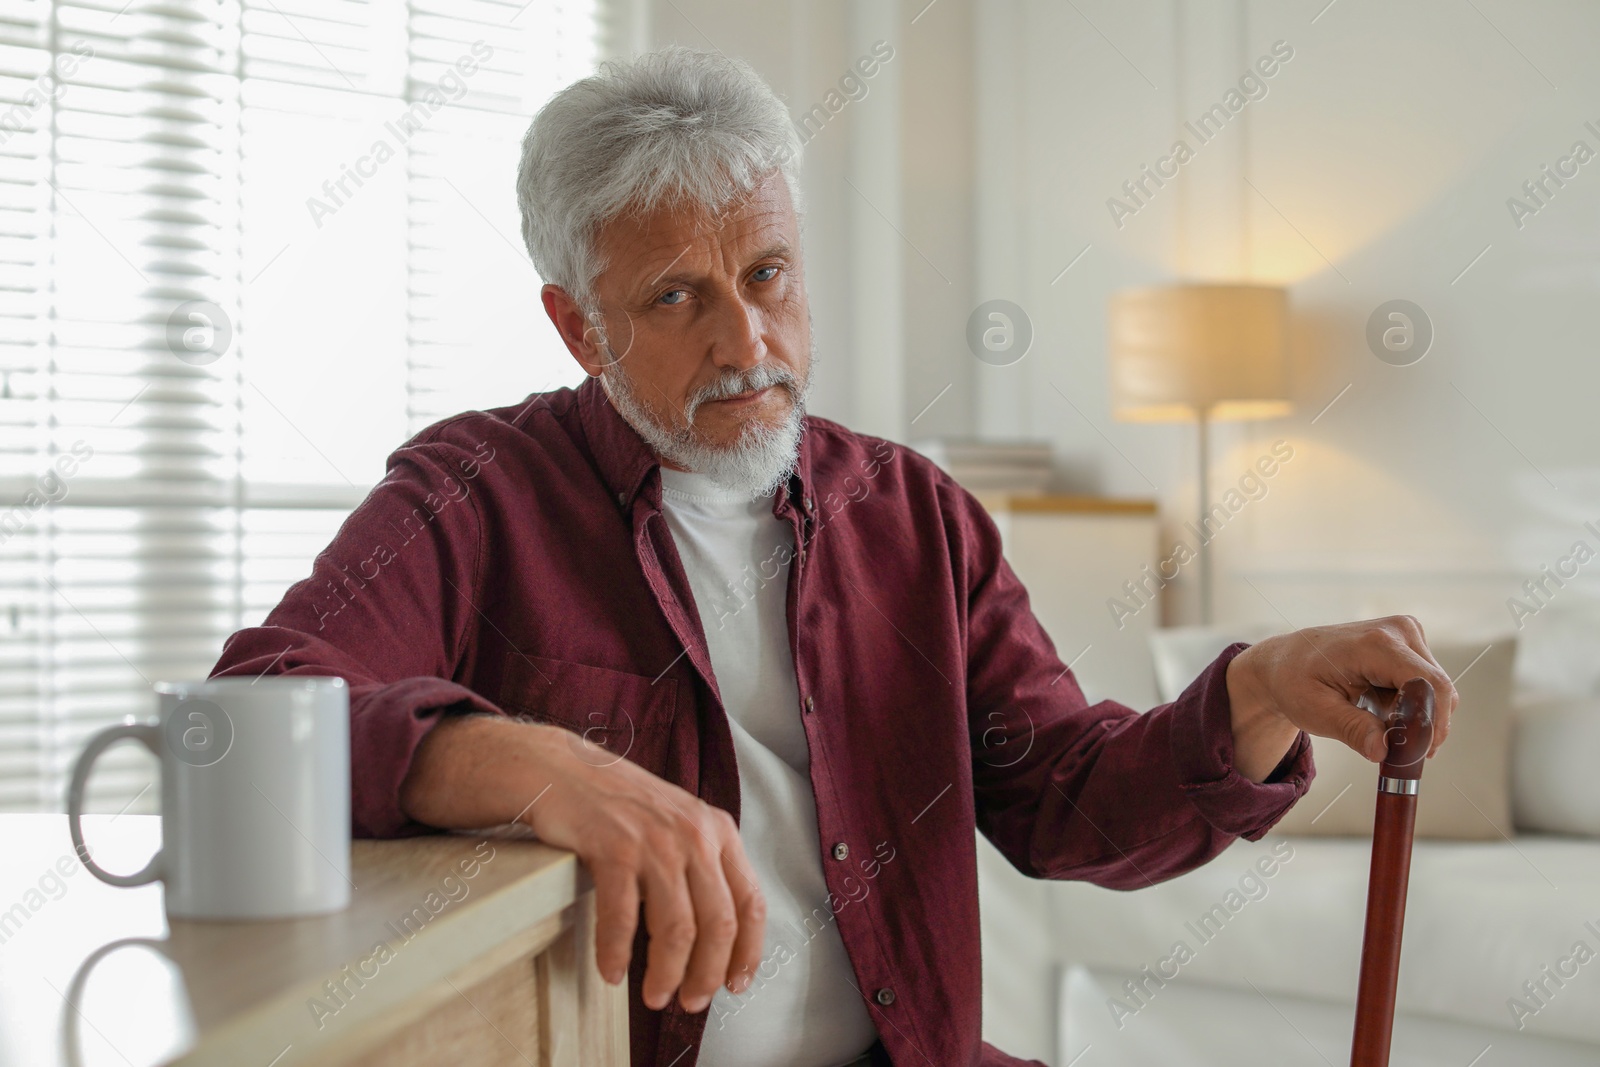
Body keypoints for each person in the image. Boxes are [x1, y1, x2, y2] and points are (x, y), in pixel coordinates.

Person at [209, 45, 1457, 1067]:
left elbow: (1064, 801)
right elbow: (253, 714)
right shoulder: (475, 492)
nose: (746, 340)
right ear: (577, 324)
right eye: (676, 299)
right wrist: (530, 763)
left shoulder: (913, 512)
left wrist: (1256, 688)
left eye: (766, 274)